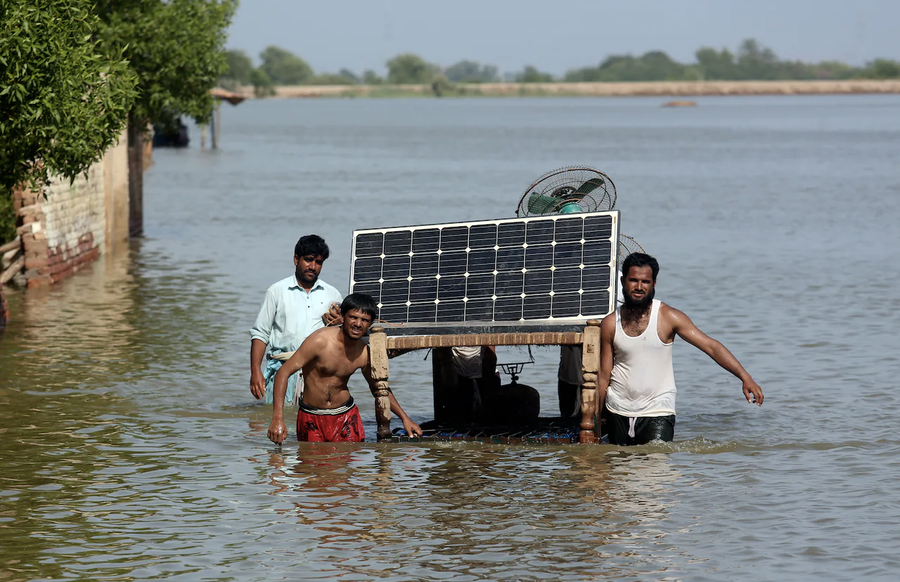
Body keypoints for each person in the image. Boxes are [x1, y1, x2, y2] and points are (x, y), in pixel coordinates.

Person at [597, 253, 764, 445]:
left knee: (656, 468)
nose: (639, 287)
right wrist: (592, 420)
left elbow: (711, 346)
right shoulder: (610, 323)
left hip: (657, 411)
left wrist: (745, 377)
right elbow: (603, 375)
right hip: (617, 409)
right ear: (622, 281)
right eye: (633, 280)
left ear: (654, 284)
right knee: (618, 469)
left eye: (645, 282)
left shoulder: (669, 317)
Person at [267, 293, 423, 444]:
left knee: (346, 467)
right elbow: (283, 373)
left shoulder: (363, 353)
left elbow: (379, 388)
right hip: (311, 416)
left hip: (346, 417)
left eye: (364, 320)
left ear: (370, 324)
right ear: (342, 317)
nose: (358, 324)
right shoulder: (319, 341)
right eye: (353, 317)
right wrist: (277, 418)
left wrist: (405, 419)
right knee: (310, 466)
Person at [250, 234, 343, 405]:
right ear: (296, 259)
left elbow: (342, 338)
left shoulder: (332, 294)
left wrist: (340, 325)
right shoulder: (276, 291)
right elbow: (260, 333)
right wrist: (256, 372)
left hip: (318, 373)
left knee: (316, 424)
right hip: (283, 369)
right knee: (278, 422)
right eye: (308, 260)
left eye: (319, 262)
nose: (313, 266)